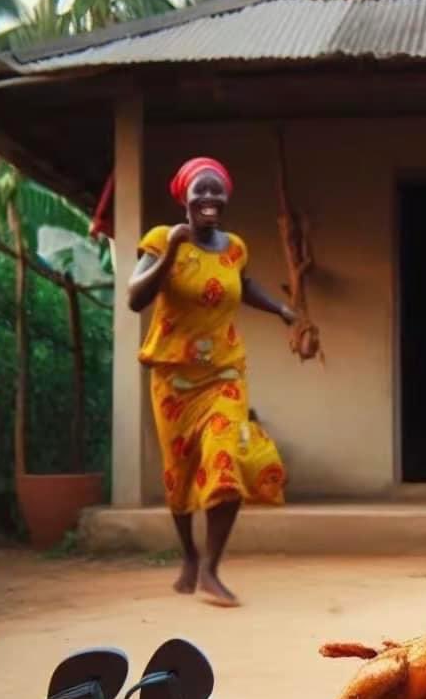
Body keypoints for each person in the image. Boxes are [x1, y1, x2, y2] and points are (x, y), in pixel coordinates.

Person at [127, 157, 299, 607]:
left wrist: (279, 309)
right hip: (174, 377)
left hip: (225, 372)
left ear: (225, 198)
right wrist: (170, 253)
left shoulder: (234, 247)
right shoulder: (161, 240)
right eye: (199, 191)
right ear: (183, 197)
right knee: (179, 474)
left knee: (226, 460)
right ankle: (188, 555)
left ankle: (210, 569)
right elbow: (134, 297)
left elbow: (243, 284)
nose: (208, 198)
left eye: (216, 191)